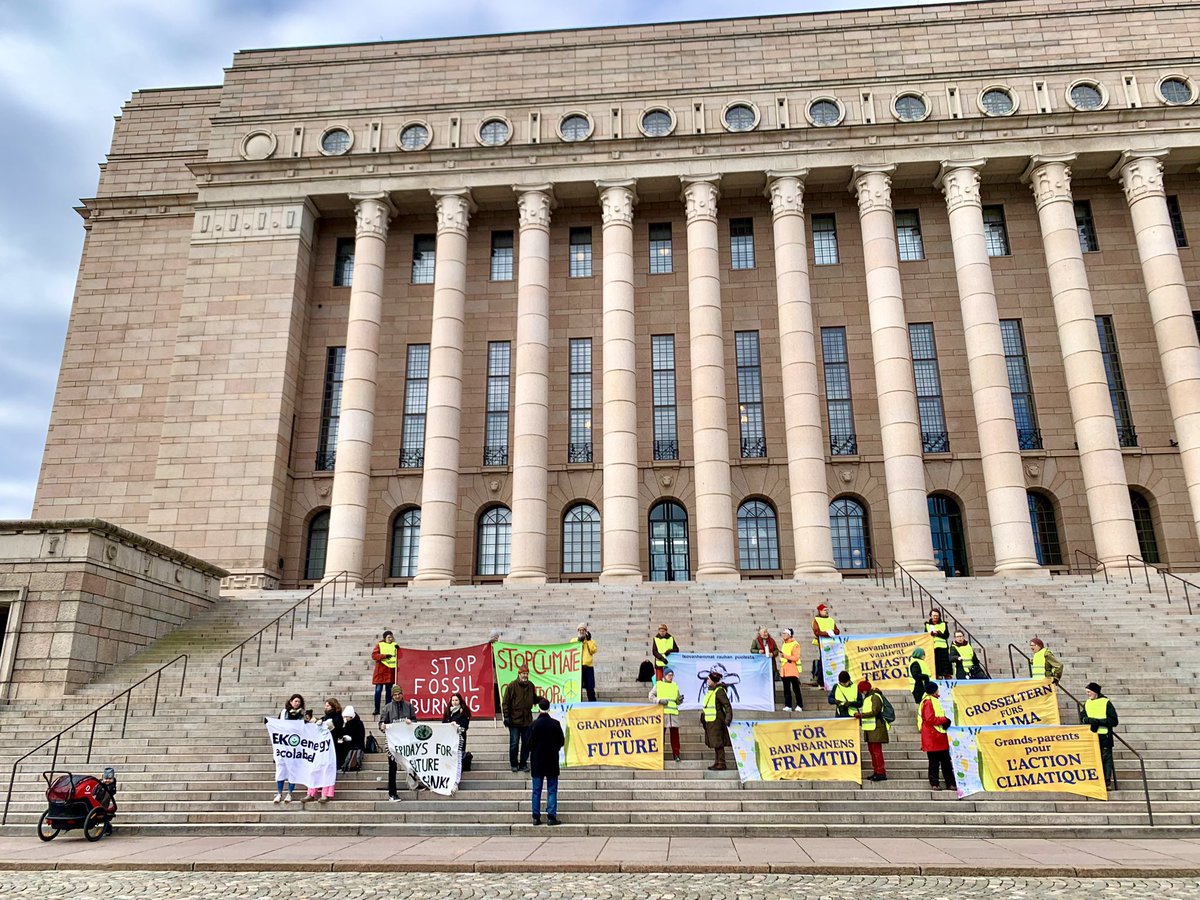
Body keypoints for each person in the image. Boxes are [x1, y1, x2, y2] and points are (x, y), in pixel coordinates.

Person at [528, 698, 565, 825]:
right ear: (549, 708)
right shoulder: (555, 724)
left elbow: (528, 743)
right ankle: (551, 816)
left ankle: (535, 816)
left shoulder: (533, 725)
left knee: (536, 790)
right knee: (552, 789)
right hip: (551, 760)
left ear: (538, 708)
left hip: (537, 761)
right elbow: (561, 741)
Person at [379, 684, 417, 801]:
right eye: (394, 695)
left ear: (402, 694)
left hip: (407, 742)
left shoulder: (409, 706)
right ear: (392, 696)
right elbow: (381, 724)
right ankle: (392, 793)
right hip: (393, 743)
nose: (397, 696)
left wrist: (411, 722)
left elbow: (415, 721)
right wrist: (383, 726)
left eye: (398, 694)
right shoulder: (387, 708)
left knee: (412, 763)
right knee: (392, 767)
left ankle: (413, 783)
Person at [303, 698, 343, 803]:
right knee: (314, 769)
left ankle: (326, 794)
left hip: (331, 748)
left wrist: (321, 723)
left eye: (328, 706)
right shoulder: (324, 717)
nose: (326, 707)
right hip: (320, 748)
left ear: (334, 706)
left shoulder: (338, 717)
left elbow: (333, 728)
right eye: (325, 705)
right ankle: (310, 793)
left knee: (328, 771)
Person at [1081, 681, 1119, 789]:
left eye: (1089, 692)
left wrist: (1098, 721)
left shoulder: (1106, 702)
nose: (1087, 694)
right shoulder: (1087, 703)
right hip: (1092, 735)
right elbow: (1082, 717)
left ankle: (1107, 782)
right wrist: (1087, 720)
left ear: (1095, 692)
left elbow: (1114, 721)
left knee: (1106, 759)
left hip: (1104, 736)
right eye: (1087, 692)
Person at [919, 682, 956, 791]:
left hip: (938, 735)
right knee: (935, 762)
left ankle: (949, 783)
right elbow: (930, 719)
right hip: (933, 736)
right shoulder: (928, 702)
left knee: (945, 762)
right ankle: (936, 783)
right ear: (934, 690)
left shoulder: (934, 700)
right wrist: (944, 720)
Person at [502, 665, 538, 773]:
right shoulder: (511, 686)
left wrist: (541, 700)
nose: (525, 676)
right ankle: (514, 763)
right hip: (514, 721)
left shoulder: (531, 686)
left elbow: (534, 699)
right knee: (514, 743)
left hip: (527, 720)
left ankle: (523, 763)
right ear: (519, 674)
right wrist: (506, 716)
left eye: (527, 673)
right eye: (523, 673)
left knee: (526, 744)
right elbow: (505, 702)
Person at [272, 693, 306, 803]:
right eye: (295, 701)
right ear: (291, 702)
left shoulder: (302, 714)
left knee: (293, 770)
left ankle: (289, 793)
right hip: (283, 745)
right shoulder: (284, 712)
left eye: (299, 702)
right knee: (281, 769)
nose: (297, 703)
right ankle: (279, 793)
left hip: (295, 746)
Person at [854, 680, 889, 781]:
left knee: (876, 751)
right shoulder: (868, 697)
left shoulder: (875, 697)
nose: (861, 693)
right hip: (870, 728)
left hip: (876, 728)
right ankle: (876, 771)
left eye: (861, 691)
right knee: (872, 751)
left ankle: (880, 772)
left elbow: (875, 711)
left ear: (865, 690)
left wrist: (861, 715)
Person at [701, 670, 733, 771]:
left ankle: (721, 763)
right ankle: (717, 762)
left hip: (717, 720)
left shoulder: (719, 691)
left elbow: (727, 705)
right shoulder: (712, 691)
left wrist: (728, 718)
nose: (707, 680)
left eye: (709, 679)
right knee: (715, 743)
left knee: (718, 743)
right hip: (710, 720)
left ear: (713, 681)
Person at [649, 666, 682, 761]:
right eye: (669, 675)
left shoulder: (675, 685)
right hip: (663, 713)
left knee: (675, 736)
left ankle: (676, 754)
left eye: (672, 675)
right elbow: (651, 696)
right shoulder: (659, 685)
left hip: (673, 714)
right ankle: (659, 754)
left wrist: (679, 700)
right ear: (665, 675)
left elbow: (677, 699)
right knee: (661, 735)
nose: (671, 677)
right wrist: (659, 700)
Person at [810, 604, 840, 688]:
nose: (826, 611)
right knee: (823, 661)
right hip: (823, 644)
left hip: (832, 644)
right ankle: (821, 680)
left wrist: (833, 632)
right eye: (824, 610)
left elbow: (837, 630)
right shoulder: (816, 620)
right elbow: (817, 632)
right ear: (820, 611)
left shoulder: (831, 620)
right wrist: (827, 633)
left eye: (827, 610)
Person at [371, 630, 398, 716]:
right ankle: (376, 708)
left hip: (390, 672)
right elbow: (374, 656)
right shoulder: (379, 645)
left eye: (391, 637)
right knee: (378, 691)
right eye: (388, 637)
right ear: (385, 638)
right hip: (381, 672)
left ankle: (387, 709)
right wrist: (384, 656)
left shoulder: (395, 645)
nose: (390, 639)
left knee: (388, 692)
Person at [777, 627, 803, 712]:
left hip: (792, 669)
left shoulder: (795, 644)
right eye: (783, 633)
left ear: (789, 635)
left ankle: (799, 705)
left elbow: (796, 657)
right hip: (784, 669)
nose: (783, 635)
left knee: (796, 688)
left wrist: (784, 656)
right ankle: (788, 705)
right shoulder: (784, 643)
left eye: (785, 633)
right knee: (786, 689)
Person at [442, 692, 472, 758]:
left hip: (459, 738)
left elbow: (465, 727)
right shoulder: (448, 711)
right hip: (449, 737)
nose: (454, 702)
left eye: (456, 700)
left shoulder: (464, 711)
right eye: (453, 700)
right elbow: (443, 723)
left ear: (459, 701)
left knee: (458, 756)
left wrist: (456, 725)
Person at [925, 609, 951, 679]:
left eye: (937, 616)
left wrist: (939, 634)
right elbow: (925, 637)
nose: (935, 617)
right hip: (933, 649)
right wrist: (931, 634)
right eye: (934, 616)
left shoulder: (943, 624)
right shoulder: (927, 625)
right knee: (936, 668)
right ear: (931, 616)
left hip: (943, 649)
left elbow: (946, 635)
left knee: (946, 669)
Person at [576, 623, 598, 702]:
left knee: (590, 687)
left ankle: (592, 702)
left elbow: (593, 650)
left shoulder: (590, 641)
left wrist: (588, 641)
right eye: (580, 630)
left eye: (583, 630)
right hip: (577, 668)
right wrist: (578, 642)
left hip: (588, 667)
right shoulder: (574, 640)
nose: (581, 631)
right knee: (577, 688)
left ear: (586, 631)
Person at [99, 766, 118, 835]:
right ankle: (107, 827)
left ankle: (107, 828)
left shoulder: (111, 786)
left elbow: (113, 791)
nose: (107, 780)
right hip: (99, 800)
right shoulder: (100, 784)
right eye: (106, 779)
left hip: (105, 802)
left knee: (104, 813)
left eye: (110, 779)